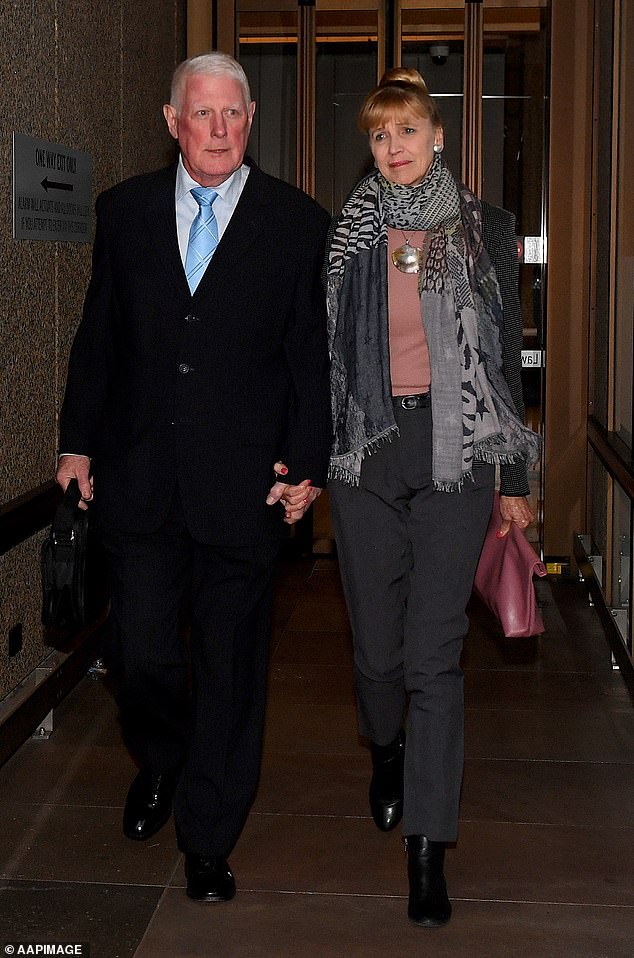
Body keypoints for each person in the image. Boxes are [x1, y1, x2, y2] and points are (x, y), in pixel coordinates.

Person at [55, 51, 331, 903]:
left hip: (246, 491)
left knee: (231, 669)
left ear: (251, 120)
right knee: (139, 658)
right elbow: (99, 337)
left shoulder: (295, 221)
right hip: (139, 482)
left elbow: (308, 361)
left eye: (233, 115)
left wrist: (309, 464)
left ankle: (209, 837)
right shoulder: (126, 212)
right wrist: (76, 444)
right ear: (172, 121)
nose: (218, 130)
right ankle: (163, 757)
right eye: (201, 115)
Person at [321, 67, 540, 927]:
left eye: (408, 131)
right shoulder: (347, 239)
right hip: (368, 458)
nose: (394, 148)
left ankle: (427, 847)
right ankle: (386, 749)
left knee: (433, 657)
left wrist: (515, 479)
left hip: (457, 457)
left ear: (437, 136)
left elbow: (503, 358)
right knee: (377, 657)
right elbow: (324, 358)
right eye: (379, 136)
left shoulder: (485, 229)